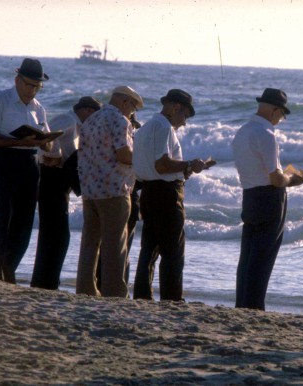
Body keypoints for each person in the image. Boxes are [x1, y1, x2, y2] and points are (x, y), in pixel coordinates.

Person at [232, 88, 303, 310]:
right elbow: (275, 179)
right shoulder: (266, 135)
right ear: (275, 111)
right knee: (263, 257)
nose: (281, 120)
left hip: (250, 196)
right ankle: (254, 306)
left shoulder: (242, 131)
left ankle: (243, 303)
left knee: (247, 256)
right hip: (269, 198)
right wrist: (294, 179)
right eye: (282, 115)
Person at [0, 58, 53, 284]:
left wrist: (46, 142)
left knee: (25, 218)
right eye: (29, 85)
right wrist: (17, 142)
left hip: (29, 161)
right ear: (17, 81)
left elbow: (47, 142)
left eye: (37, 86)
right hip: (3, 159)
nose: (32, 90)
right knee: (3, 215)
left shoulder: (38, 108)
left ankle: (9, 267)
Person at [132, 89, 209, 301]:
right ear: (176, 108)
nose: (184, 122)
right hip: (166, 194)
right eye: (184, 115)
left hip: (149, 191)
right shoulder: (164, 127)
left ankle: (142, 295)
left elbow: (150, 166)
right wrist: (188, 164)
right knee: (173, 251)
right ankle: (172, 298)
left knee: (149, 248)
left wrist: (186, 169)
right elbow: (162, 164)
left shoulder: (145, 128)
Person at [76, 86, 143, 298]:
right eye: (133, 108)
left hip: (90, 189)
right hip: (114, 189)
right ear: (125, 103)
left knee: (90, 243)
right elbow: (123, 154)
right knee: (115, 246)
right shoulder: (120, 121)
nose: (132, 113)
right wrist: (143, 160)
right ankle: (114, 293)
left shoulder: (91, 120)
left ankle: (85, 289)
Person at [30, 96, 102, 290]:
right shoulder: (68, 120)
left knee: (54, 234)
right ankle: (46, 281)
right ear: (86, 111)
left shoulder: (79, 127)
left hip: (58, 179)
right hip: (51, 177)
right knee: (57, 235)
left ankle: (45, 281)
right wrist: (51, 157)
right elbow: (46, 140)